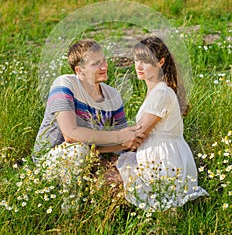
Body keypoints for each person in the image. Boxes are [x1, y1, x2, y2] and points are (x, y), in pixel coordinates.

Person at [116, 36, 208, 212]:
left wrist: (100, 145)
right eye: (136, 61)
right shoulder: (156, 91)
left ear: (160, 62)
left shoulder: (161, 93)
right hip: (158, 155)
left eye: (145, 61)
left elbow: (138, 134)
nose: (139, 66)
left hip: (165, 160)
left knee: (115, 178)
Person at [33, 39, 143, 165]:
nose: (104, 67)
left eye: (103, 60)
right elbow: (71, 135)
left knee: (136, 159)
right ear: (79, 70)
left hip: (93, 157)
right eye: (96, 64)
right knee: (78, 150)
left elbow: (123, 141)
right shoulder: (64, 85)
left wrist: (130, 141)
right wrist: (119, 137)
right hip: (48, 160)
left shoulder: (113, 95)